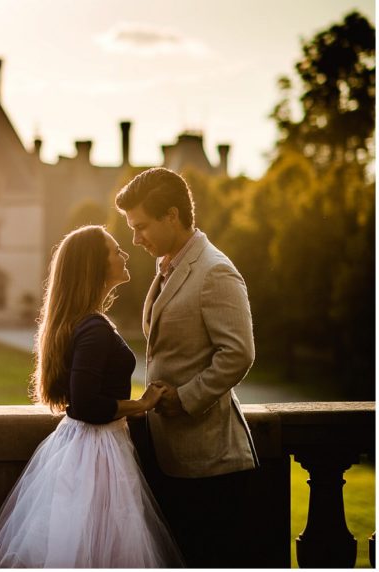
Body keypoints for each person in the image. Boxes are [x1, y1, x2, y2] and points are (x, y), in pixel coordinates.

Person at [0, 225, 183, 568]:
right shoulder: (94, 328)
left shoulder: (83, 323)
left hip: (87, 446)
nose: (125, 254)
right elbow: (86, 404)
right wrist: (142, 404)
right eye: (116, 251)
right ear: (95, 265)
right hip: (97, 452)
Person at [114, 167, 258, 568]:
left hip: (209, 462)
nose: (135, 238)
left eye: (141, 226)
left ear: (172, 216)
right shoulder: (169, 265)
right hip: (169, 455)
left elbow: (238, 354)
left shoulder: (216, 271)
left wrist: (186, 398)